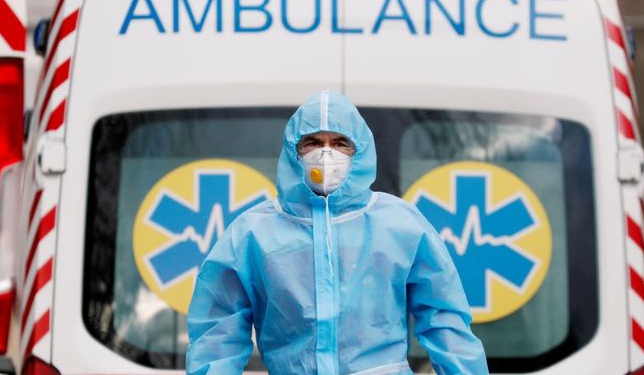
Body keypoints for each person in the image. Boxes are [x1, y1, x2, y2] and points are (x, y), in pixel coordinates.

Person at [186, 91, 489, 375]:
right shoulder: (253, 232)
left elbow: (445, 320)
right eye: (312, 142)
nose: (326, 153)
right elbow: (218, 334)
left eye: (341, 143)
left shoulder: (400, 224)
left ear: (360, 151)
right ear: (294, 150)